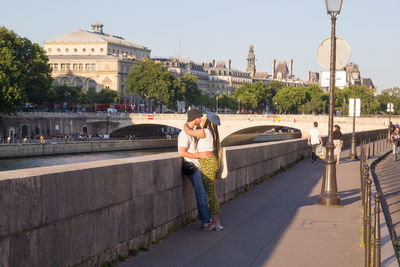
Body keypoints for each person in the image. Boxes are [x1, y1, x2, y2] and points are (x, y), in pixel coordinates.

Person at [183, 111, 223, 231]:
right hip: (212, 162)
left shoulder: (205, 131)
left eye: (205, 118)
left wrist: (186, 123)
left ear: (208, 121)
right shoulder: (211, 133)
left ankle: (216, 222)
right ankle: (215, 222)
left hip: (207, 164)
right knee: (211, 193)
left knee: (211, 194)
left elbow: (188, 131)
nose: (203, 119)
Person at [178, 109, 211, 229]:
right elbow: (182, 153)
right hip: (192, 166)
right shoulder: (184, 135)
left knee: (203, 193)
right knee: (201, 193)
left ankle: (207, 219)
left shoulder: (193, 132)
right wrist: (200, 156)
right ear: (194, 118)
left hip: (198, 165)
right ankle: (206, 221)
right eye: (200, 117)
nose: (201, 119)